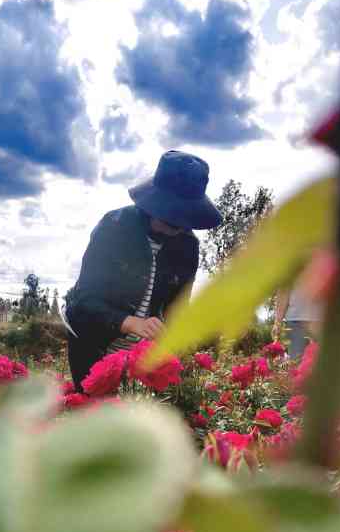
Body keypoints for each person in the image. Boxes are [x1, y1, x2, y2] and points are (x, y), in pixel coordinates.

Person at [64, 150, 222, 390]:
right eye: (171, 219)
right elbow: (83, 301)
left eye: (184, 221)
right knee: (94, 413)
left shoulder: (188, 247)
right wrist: (130, 322)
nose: (178, 228)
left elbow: (177, 309)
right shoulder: (114, 228)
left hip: (143, 355)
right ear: (153, 205)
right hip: (93, 345)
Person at [274, 283, 323, 360]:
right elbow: (284, 291)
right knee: (297, 361)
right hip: (296, 322)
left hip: (322, 320)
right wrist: (277, 321)